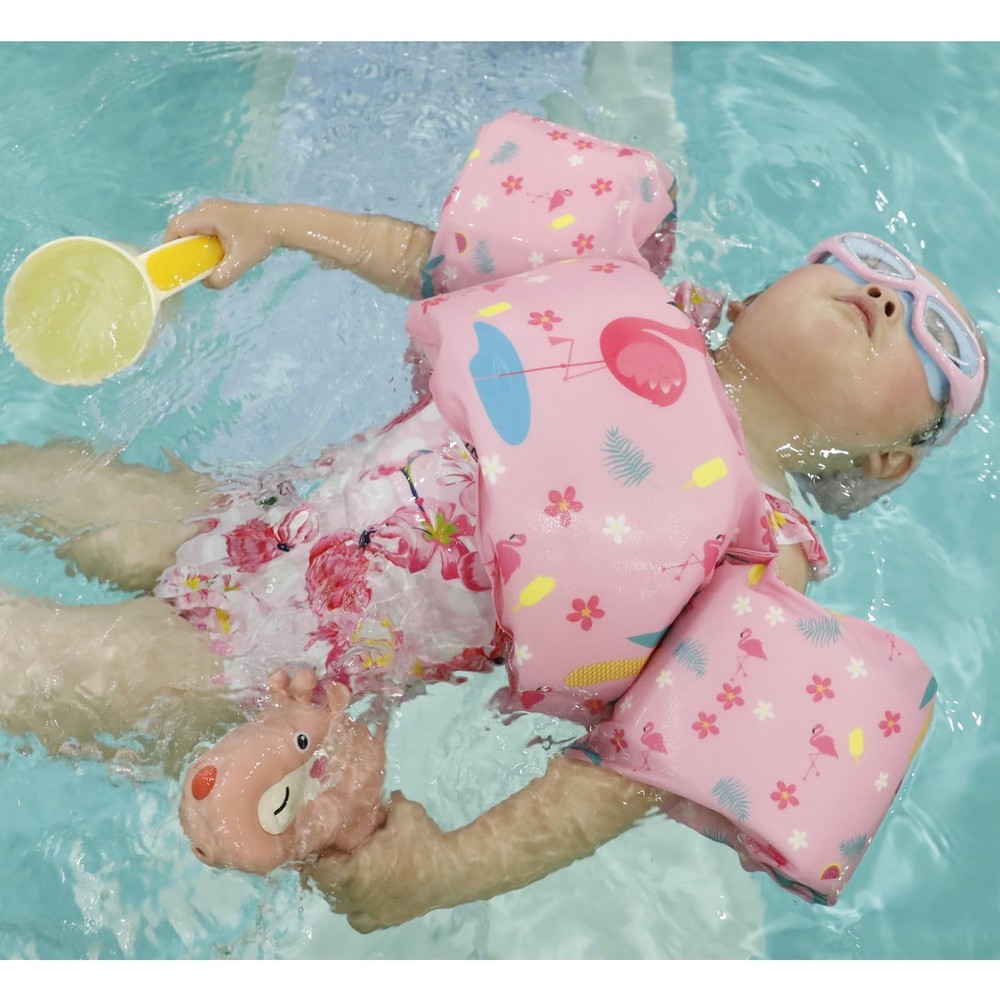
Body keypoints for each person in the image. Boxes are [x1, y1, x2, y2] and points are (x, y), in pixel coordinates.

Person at [0, 112, 986, 931]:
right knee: (36, 477)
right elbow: (434, 264)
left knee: (31, 662)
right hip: (246, 517)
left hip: (281, 661)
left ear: (890, 459)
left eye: (934, 339)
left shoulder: (767, 557)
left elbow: (631, 771)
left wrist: (444, 870)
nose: (882, 295)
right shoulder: (622, 290)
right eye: (865, 266)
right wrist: (278, 225)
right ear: (768, 288)